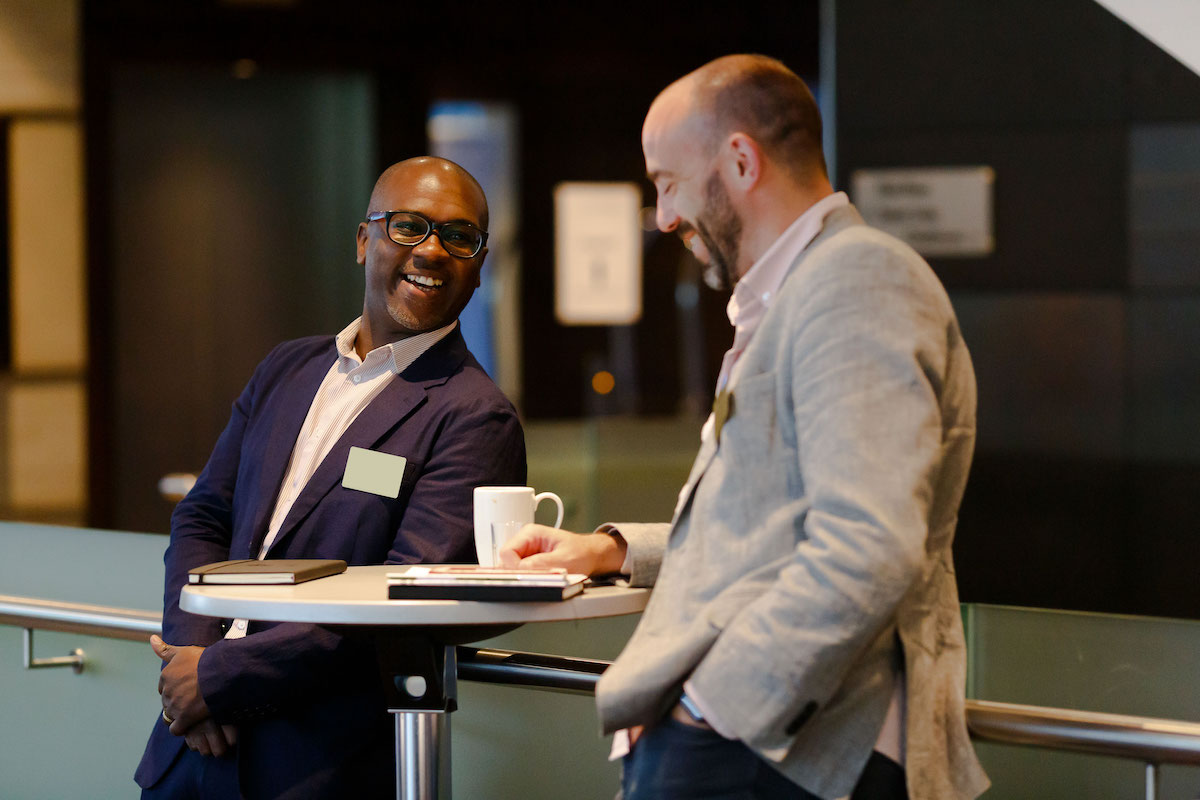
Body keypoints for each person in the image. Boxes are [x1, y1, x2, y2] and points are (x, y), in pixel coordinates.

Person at [500, 55, 989, 800]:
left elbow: (869, 546)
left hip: (790, 753)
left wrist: (714, 708)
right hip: (763, 751)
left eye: (667, 182)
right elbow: (774, 527)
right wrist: (612, 548)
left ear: (739, 160)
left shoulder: (857, 280)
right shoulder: (798, 296)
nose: (664, 216)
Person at [135, 156, 526, 799]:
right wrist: (191, 658)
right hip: (190, 751)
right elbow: (203, 516)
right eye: (409, 227)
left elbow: (404, 602)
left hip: (313, 767)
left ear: (479, 266)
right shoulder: (287, 367)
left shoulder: (475, 416)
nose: (432, 250)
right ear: (363, 241)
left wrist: (220, 679)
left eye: (459, 237)